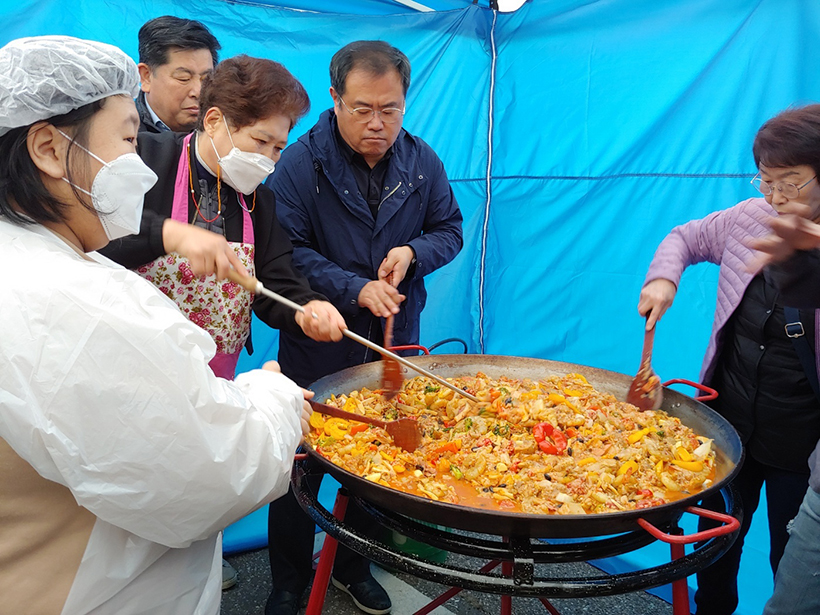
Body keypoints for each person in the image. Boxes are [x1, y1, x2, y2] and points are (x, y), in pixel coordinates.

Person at [0, 35, 311, 615]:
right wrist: (274, 394)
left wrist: (305, 307)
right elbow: (210, 470)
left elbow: (274, 281)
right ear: (45, 148)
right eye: (124, 139)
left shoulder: (26, 255)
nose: (137, 167)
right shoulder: (75, 307)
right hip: (85, 586)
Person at [266, 40, 464, 615]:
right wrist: (353, 287)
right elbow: (287, 250)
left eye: (391, 109)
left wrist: (412, 250)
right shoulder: (300, 163)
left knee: (375, 464)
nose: (378, 124)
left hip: (393, 339)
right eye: (363, 109)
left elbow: (449, 228)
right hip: (318, 336)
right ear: (334, 99)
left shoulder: (421, 161)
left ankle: (354, 566)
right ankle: (288, 580)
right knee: (300, 464)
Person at [638, 104, 820, 615]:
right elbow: (686, 237)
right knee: (713, 545)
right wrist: (662, 278)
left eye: (792, 182)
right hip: (730, 420)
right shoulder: (750, 217)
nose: (777, 196)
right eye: (767, 180)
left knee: (794, 557)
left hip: (803, 439)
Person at [101, 54, 346, 382]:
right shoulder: (146, 158)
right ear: (214, 120)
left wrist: (307, 308)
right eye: (259, 141)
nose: (267, 159)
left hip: (213, 383)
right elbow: (99, 236)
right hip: (131, 368)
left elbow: (276, 279)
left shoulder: (260, 201)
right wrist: (171, 234)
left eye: (277, 148)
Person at [136, 15, 220, 133]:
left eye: (206, 79)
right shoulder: (122, 134)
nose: (198, 92)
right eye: (184, 78)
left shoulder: (224, 133)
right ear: (146, 76)